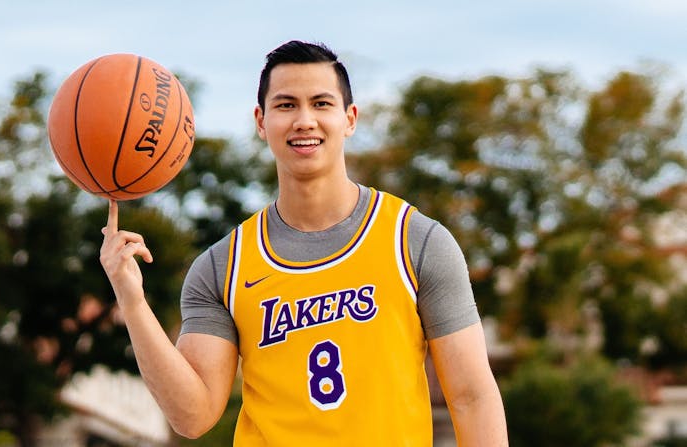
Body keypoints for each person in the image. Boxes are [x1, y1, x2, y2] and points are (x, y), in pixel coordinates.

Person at [100, 40, 508, 446]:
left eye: (321, 103)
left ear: (349, 118)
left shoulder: (415, 240)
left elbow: (472, 396)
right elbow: (193, 416)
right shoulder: (223, 266)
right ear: (261, 121)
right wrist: (132, 300)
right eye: (286, 105)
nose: (304, 120)